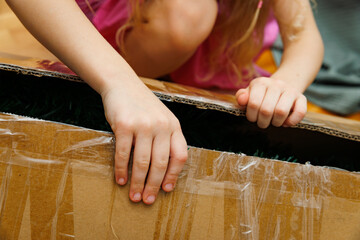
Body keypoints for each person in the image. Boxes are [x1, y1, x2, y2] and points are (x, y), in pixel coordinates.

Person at [5, 0, 323, 205]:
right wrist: (119, 83)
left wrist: (285, 84)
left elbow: (304, 35)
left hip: (216, 72)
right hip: (116, 44)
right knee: (190, 10)